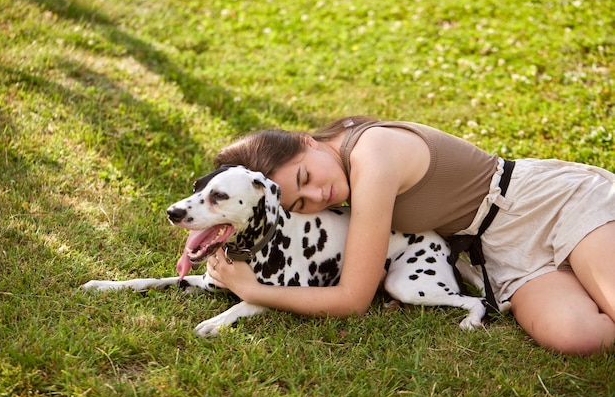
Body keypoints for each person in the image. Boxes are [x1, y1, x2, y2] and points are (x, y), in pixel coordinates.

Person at [201, 115, 615, 355]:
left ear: (306, 142)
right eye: (301, 204)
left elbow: (352, 299)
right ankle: (583, 267)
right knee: (577, 337)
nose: (317, 195)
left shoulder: (371, 155)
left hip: (548, 204)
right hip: (498, 255)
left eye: (306, 177)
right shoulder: (342, 178)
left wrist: (254, 291)